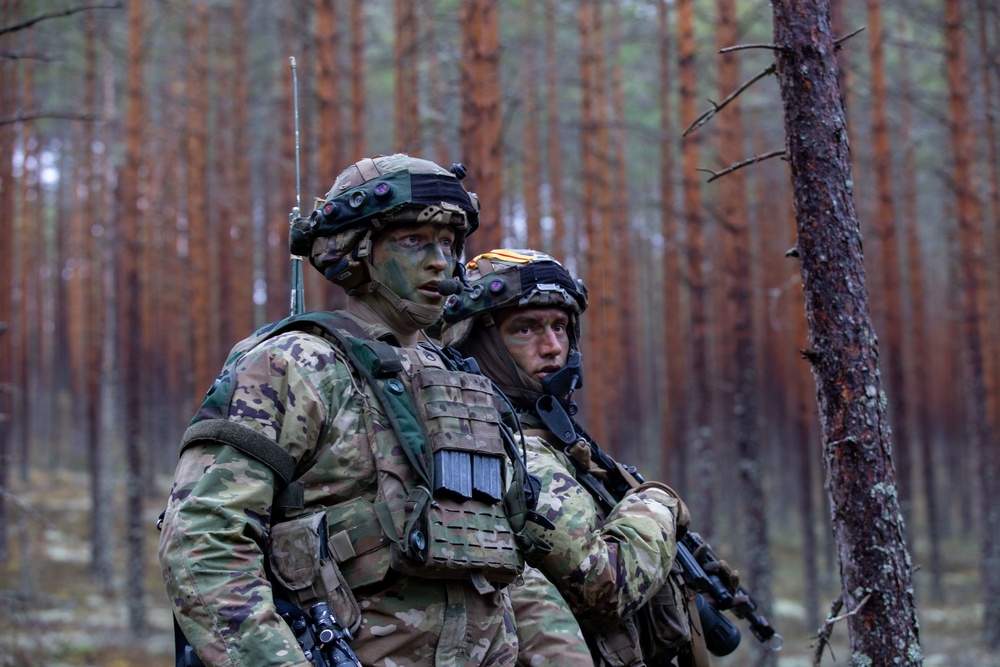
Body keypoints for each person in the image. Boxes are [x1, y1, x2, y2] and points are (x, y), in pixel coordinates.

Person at [158, 156, 544, 667]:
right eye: (413, 242)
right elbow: (203, 540)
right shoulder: (295, 364)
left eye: (449, 245)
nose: (440, 262)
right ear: (356, 252)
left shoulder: (461, 376)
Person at [438, 249, 700, 667]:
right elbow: (605, 587)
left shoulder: (550, 438)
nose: (552, 347)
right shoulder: (500, 448)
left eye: (560, 327)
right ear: (478, 342)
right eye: (525, 329)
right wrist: (658, 504)